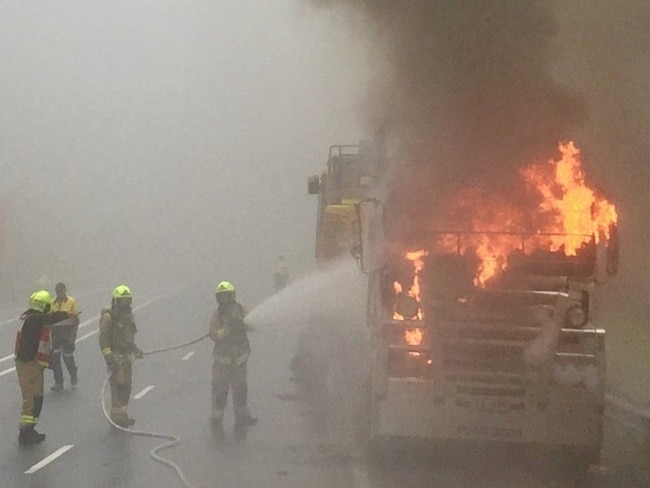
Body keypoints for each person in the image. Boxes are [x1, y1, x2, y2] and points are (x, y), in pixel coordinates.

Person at [15, 290, 66, 444]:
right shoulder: (33, 320)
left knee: (37, 397)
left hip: (34, 363)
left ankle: (30, 428)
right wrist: (67, 315)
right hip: (28, 363)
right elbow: (50, 318)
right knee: (31, 398)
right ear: (43, 305)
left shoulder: (31, 319)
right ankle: (25, 431)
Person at [209, 281, 257, 440]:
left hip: (240, 358)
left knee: (241, 388)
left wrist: (243, 323)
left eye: (226, 295)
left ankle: (242, 415)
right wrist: (228, 329)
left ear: (232, 295)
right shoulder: (217, 315)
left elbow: (252, 326)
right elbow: (213, 334)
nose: (223, 298)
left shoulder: (241, 310)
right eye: (221, 296)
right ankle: (216, 418)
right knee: (220, 390)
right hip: (222, 360)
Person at [99, 285, 143, 428]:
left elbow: (128, 337)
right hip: (115, 355)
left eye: (128, 301)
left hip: (126, 355)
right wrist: (109, 357)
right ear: (116, 301)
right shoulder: (108, 317)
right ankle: (116, 416)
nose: (126, 304)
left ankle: (123, 414)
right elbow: (103, 339)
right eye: (123, 301)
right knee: (118, 384)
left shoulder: (128, 316)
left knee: (127, 385)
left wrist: (135, 349)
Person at [50, 282, 80, 392]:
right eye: (57, 292)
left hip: (67, 334)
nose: (59, 294)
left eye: (61, 291)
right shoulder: (52, 303)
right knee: (55, 358)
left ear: (65, 290)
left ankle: (73, 373)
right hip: (56, 335)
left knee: (67, 357)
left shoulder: (71, 302)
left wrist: (73, 335)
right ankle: (58, 382)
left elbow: (75, 320)